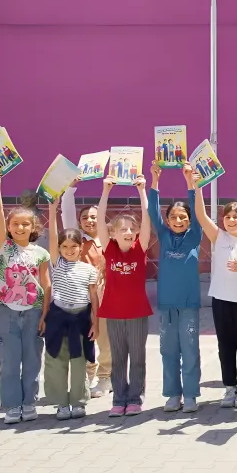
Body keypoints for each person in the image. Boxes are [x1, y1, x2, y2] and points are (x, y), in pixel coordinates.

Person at [0, 169, 51, 424]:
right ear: (9, 228)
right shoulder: (5, 247)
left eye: (25, 224)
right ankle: (13, 405)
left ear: (33, 227)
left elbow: (46, 285)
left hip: (34, 312)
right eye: (15, 224)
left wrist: (45, 314)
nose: (20, 227)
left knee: (33, 359)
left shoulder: (41, 254)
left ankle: (29, 403)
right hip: (8, 312)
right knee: (10, 359)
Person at [195, 184, 237, 409]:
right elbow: (201, 215)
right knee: (225, 346)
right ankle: (230, 387)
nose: (231, 220)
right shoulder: (219, 237)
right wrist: (197, 186)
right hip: (221, 300)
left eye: (236, 216)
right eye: (228, 217)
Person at [149, 162, 203, 414]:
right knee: (168, 351)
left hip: (189, 305)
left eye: (183, 217)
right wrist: (155, 181)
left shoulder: (194, 236)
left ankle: (190, 395)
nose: (178, 220)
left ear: (190, 220)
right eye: (173, 217)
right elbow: (153, 212)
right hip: (167, 305)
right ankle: (173, 394)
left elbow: (198, 211)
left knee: (190, 351)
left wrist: (191, 182)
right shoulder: (164, 235)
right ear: (167, 220)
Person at [96, 174, 152, 418]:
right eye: (123, 229)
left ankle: (135, 398)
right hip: (114, 313)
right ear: (113, 234)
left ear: (137, 233)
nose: (128, 232)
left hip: (138, 313)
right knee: (118, 358)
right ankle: (119, 399)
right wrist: (106, 191)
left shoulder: (140, 249)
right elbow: (100, 219)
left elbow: (147, 218)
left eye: (132, 229)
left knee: (137, 358)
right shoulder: (109, 250)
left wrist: (142, 190)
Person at [43, 194, 99, 420]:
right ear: (59, 248)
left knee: (79, 362)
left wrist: (95, 322)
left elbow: (93, 297)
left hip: (80, 319)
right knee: (57, 360)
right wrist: (52, 209)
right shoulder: (56, 263)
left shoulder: (89, 270)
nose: (69, 250)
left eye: (73, 246)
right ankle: (61, 404)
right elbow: (52, 237)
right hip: (58, 318)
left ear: (80, 247)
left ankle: (78, 402)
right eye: (64, 247)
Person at [61, 184, 110, 398]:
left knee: (105, 338)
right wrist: (69, 190)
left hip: (106, 295)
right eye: (85, 218)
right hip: (82, 296)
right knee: (85, 337)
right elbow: (67, 215)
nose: (89, 220)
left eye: (94, 217)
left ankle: (106, 377)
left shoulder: (109, 240)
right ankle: (88, 375)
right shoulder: (77, 241)